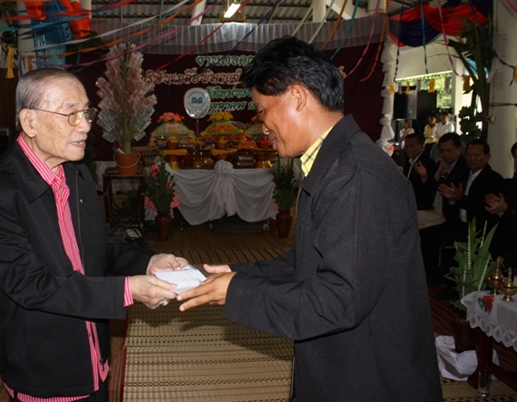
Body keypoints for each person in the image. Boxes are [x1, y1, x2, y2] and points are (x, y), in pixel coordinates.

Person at [177, 37, 442, 401]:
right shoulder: (336, 162)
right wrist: (241, 274)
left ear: (298, 97)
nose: (262, 126)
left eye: (262, 111)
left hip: (370, 379)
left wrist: (238, 292)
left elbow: (337, 300)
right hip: (345, 368)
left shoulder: (356, 176)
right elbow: (313, 259)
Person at [0, 68, 188, 402]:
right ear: (30, 122)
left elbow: (99, 242)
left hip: (94, 352)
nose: (85, 126)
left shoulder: (74, 171)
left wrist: (148, 262)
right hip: (44, 366)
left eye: (86, 113)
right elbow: (30, 285)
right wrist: (128, 290)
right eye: (71, 115)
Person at [420, 139, 505, 297]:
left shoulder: (493, 179)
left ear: (487, 157)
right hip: (459, 222)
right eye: (469, 155)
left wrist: (460, 198)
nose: (472, 159)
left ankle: (452, 286)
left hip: (479, 227)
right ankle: (433, 275)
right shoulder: (463, 174)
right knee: (428, 234)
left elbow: (484, 209)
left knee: (450, 240)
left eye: (477, 155)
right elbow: (452, 198)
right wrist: (453, 199)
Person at [416, 132, 469, 229]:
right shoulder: (440, 165)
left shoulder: (464, 168)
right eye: (442, 151)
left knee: (426, 232)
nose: (445, 154)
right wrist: (429, 176)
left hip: (448, 215)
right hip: (433, 209)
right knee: (406, 218)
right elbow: (429, 189)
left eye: (449, 150)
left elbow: (447, 189)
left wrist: (438, 177)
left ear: (459, 149)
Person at [403, 133, 436, 210]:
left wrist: (424, 176)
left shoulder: (428, 163)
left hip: (421, 204)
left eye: (412, 146)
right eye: (406, 146)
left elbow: (432, 187)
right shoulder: (408, 162)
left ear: (421, 146)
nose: (408, 149)